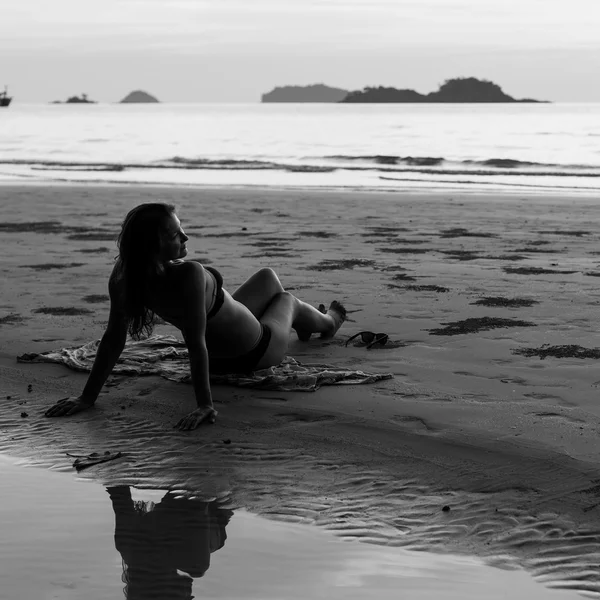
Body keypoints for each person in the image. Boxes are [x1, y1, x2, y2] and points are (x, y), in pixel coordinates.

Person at [45, 202, 346, 430]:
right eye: (176, 234)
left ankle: (303, 326)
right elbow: (195, 342)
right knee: (285, 299)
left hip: (227, 339)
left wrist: (87, 398)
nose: (185, 236)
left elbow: (113, 339)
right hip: (256, 351)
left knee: (267, 277)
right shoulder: (189, 273)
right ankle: (328, 323)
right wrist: (205, 405)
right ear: (153, 245)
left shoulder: (125, 275)